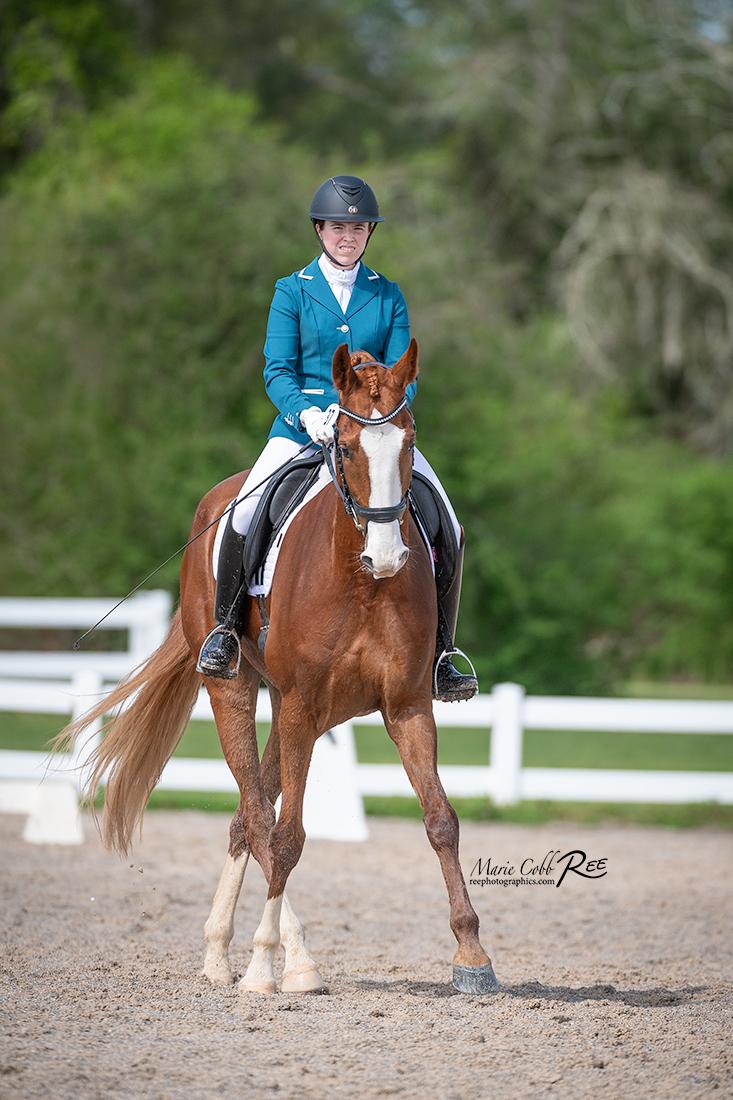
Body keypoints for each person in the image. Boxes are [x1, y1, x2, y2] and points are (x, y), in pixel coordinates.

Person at [197, 175, 478, 702]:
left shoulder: (387, 294)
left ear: (368, 232)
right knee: (239, 513)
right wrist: (307, 415)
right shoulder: (292, 291)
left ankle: (442, 654)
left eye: (356, 227)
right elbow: (276, 371)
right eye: (337, 227)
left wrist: (378, 418)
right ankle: (225, 631)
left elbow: (404, 375)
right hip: (301, 431)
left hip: (374, 435)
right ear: (320, 231)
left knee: (450, 525)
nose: (346, 236)